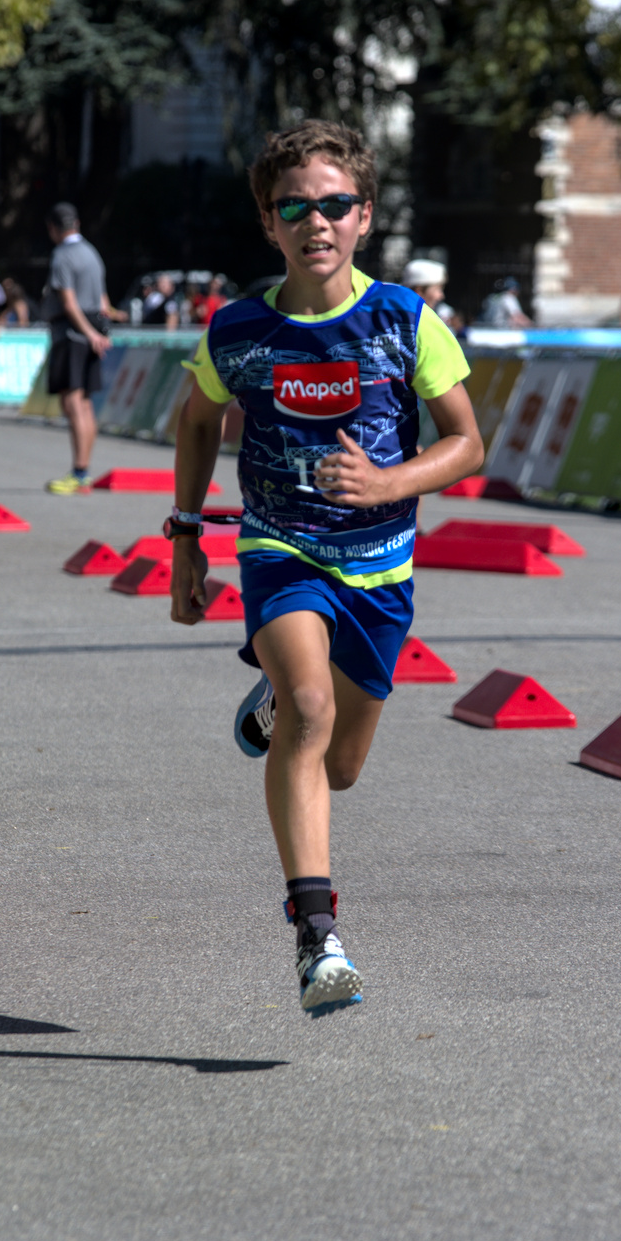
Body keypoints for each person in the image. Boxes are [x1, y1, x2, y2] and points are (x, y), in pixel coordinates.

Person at [169, 119, 483, 1015]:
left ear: (364, 217)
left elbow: (467, 443)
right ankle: (317, 937)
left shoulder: (402, 320)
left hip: (379, 570)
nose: (316, 221)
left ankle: (274, 703)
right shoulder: (238, 330)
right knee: (310, 709)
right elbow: (196, 420)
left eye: (335, 205)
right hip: (281, 549)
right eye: (294, 207)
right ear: (268, 223)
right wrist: (187, 536)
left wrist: (388, 481)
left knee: (339, 766)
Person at [41, 203, 116, 493]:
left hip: (72, 333)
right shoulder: (92, 253)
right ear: (77, 223)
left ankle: (79, 472)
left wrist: (89, 334)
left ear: (53, 228)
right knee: (85, 403)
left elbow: (69, 303)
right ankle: (83, 471)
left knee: (72, 402)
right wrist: (101, 332)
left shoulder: (62, 255)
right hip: (93, 329)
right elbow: (103, 300)